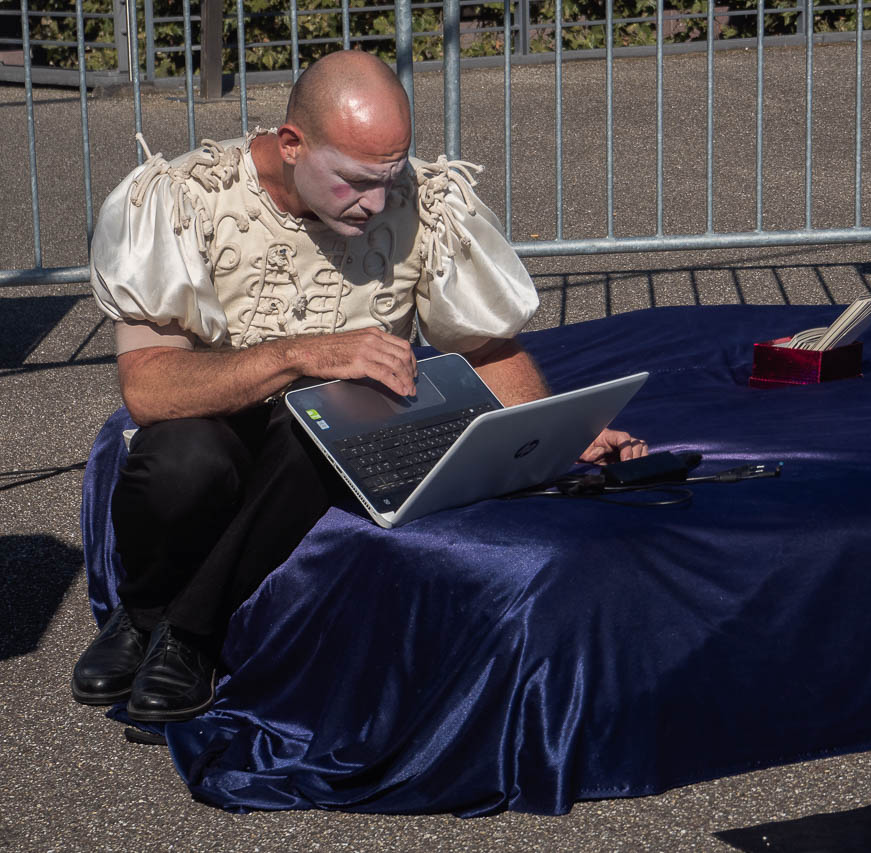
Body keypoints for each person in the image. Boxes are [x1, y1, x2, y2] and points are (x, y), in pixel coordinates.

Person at [71, 50, 647, 724]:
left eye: (388, 177)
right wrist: (301, 354)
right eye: (352, 181)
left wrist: (552, 435)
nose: (377, 203)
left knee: (324, 424)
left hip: (333, 434)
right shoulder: (177, 199)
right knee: (184, 460)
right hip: (212, 421)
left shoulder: (423, 203)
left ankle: (185, 630)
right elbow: (151, 388)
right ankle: (140, 616)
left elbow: (487, 346)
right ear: (292, 144)